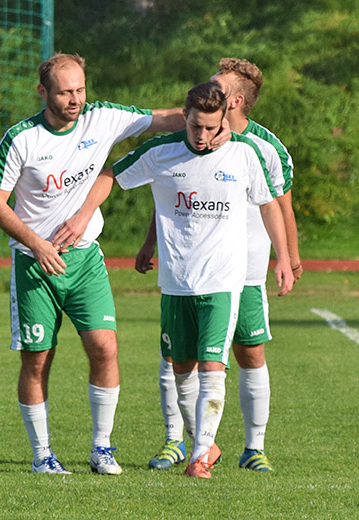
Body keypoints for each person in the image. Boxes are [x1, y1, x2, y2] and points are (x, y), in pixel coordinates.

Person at [0, 53, 228, 475]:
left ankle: (102, 448)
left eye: (80, 89)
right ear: (43, 93)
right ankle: (43, 454)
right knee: (38, 359)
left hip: (85, 261)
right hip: (34, 264)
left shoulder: (103, 118)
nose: (75, 99)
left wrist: (220, 125)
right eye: (65, 92)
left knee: (105, 346)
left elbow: (166, 118)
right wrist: (36, 244)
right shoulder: (21, 139)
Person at [56, 81, 294, 478]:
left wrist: (283, 257)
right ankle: (206, 441)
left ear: (224, 122)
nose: (201, 136)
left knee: (212, 365)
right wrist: (82, 217)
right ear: (185, 117)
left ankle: (200, 456)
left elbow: (269, 205)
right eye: (195, 126)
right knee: (181, 369)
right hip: (177, 280)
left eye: (210, 128)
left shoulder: (244, 153)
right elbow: (111, 176)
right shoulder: (160, 152)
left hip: (224, 280)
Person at [140, 58, 301, 473]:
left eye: (219, 87)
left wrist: (289, 259)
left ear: (238, 100)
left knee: (249, 353)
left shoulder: (264, 147)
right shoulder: (190, 137)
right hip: (189, 270)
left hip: (243, 272)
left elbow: (280, 205)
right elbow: (174, 194)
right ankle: (178, 441)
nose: (208, 91)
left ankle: (254, 447)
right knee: (178, 359)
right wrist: (150, 241)